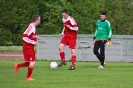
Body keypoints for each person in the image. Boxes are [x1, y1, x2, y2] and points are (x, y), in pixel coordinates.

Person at [14, 15, 41, 80]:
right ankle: (28, 77)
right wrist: (32, 42)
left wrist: (36, 36)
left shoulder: (33, 27)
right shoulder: (31, 26)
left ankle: (18, 65)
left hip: (30, 47)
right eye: (39, 20)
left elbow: (30, 35)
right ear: (36, 20)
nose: (40, 21)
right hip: (27, 47)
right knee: (32, 62)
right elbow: (24, 36)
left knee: (29, 62)